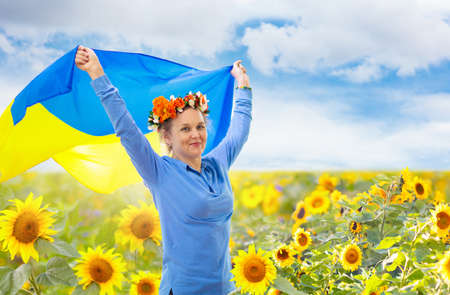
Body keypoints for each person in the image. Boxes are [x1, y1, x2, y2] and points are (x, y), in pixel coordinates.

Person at [75, 45, 252, 295]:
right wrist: (97, 73)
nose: (195, 135)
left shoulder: (218, 163)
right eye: (185, 129)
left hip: (224, 289)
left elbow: (239, 129)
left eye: (200, 127)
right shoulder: (159, 172)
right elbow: (125, 127)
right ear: (166, 137)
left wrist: (242, 84)